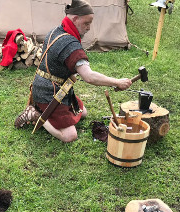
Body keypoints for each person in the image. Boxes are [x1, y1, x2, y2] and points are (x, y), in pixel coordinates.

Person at [14, 0, 133, 142]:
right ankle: (36, 115)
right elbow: (88, 76)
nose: (89, 28)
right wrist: (117, 82)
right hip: (50, 94)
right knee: (70, 136)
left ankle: (41, 109)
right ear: (75, 19)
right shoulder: (69, 44)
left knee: (83, 113)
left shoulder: (56, 31)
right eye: (86, 23)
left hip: (51, 88)